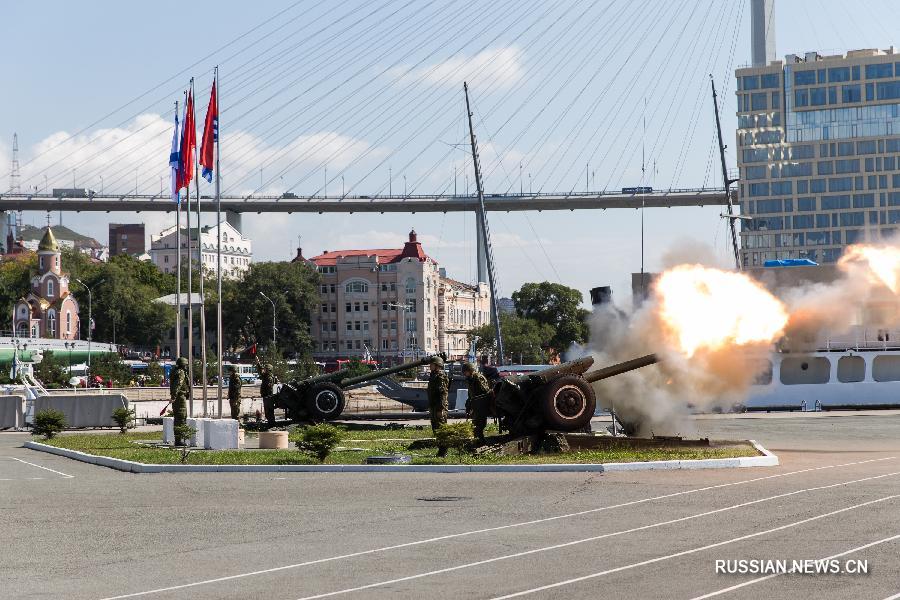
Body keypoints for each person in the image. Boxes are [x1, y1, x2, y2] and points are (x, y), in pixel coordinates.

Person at [462, 361, 492, 443]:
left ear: (470, 370)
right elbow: (470, 394)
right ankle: (478, 440)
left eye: (466, 372)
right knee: (475, 424)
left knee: (480, 424)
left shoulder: (478, 378)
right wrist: (469, 405)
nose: (464, 374)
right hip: (475, 404)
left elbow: (485, 392)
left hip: (481, 405)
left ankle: (480, 441)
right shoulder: (470, 379)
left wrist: (476, 401)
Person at [427, 355, 449, 456]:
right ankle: (441, 450)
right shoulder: (433, 376)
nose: (430, 366)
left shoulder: (440, 377)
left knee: (441, 428)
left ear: (437, 366)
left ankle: (443, 451)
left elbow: (442, 394)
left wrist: (441, 409)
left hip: (439, 407)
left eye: (432, 364)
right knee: (435, 428)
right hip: (434, 406)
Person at [169, 357, 189, 445]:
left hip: (177, 397)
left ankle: (178, 439)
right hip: (180, 397)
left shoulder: (175, 371)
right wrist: (174, 396)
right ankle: (179, 440)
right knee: (181, 417)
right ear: (183, 364)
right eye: (186, 365)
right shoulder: (181, 372)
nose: (186, 366)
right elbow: (178, 384)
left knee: (178, 417)